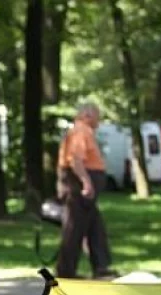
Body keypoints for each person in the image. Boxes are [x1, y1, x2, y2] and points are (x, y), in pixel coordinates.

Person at [56, 102, 117, 279]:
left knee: (95, 226)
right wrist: (86, 182)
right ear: (88, 115)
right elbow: (76, 159)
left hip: (82, 185)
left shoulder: (83, 131)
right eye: (98, 116)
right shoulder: (81, 131)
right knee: (75, 227)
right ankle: (66, 271)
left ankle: (101, 266)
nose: (99, 120)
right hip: (79, 185)